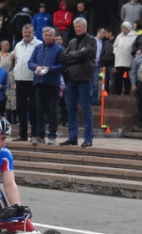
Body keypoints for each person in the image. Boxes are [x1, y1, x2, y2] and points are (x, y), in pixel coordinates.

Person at [61, 18, 96, 148]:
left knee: (86, 109)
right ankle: (72, 137)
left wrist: (73, 55)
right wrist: (77, 55)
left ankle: (88, 138)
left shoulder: (91, 40)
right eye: (76, 27)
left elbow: (87, 53)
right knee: (71, 109)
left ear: (85, 28)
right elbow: (64, 57)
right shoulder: (72, 41)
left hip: (84, 79)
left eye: (80, 26)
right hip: (71, 79)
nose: (78, 29)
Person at [28, 26, 64, 146]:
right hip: (39, 82)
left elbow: (62, 66)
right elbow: (30, 62)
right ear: (42, 36)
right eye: (45, 35)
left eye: (50, 35)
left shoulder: (59, 49)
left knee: (52, 111)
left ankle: (52, 135)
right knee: (39, 111)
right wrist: (36, 67)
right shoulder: (38, 48)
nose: (47, 37)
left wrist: (49, 69)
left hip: (52, 83)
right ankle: (40, 135)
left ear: (53, 36)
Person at [12, 24, 42, 142]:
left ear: (33, 32)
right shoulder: (18, 45)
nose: (27, 34)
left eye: (29, 32)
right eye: (25, 32)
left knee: (34, 108)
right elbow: (16, 60)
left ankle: (34, 134)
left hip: (33, 79)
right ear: (22, 33)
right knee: (21, 108)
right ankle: (22, 134)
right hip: (20, 79)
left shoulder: (38, 44)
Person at [113, 22, 137, 95]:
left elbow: (134, 46)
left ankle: (126, 92)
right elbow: (115, 45)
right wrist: (116, 52)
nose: (123, 29)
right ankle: (118, 93)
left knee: (126, 78)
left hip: (127, 62)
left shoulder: (133, 36)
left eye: (124, 28)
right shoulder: (119, 36)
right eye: (122, 28)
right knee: (118, 78)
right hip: (119, 62)